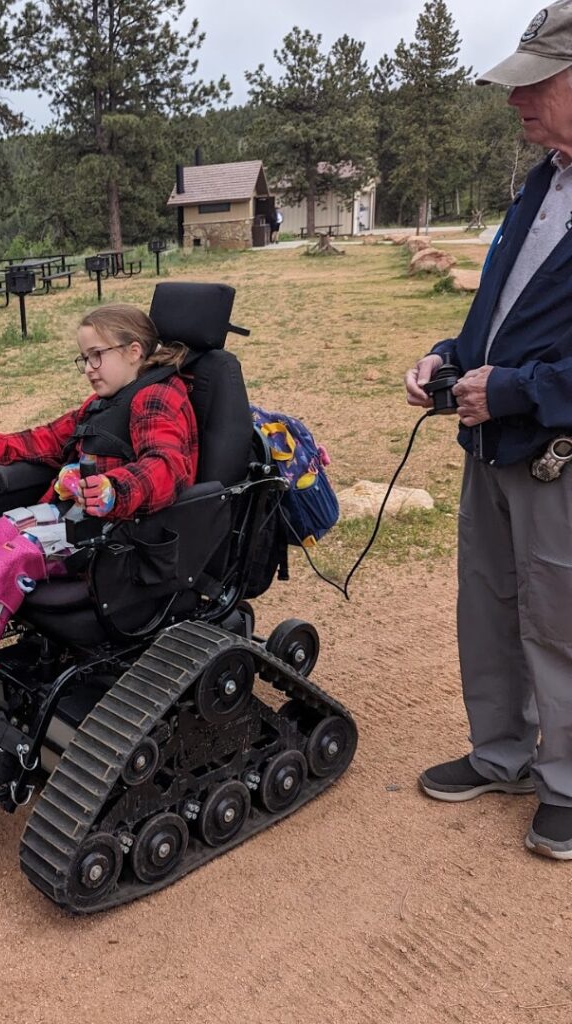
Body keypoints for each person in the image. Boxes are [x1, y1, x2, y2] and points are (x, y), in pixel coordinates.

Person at [404, 0, 572, 860]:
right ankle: (504, 754)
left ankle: (569, 784)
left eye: (536, 83)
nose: (517, 100)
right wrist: (448, 359)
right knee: (491, 605)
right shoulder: (542, 181)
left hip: (558, 454)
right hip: (494, 444)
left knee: (560, 618)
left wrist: (515, 390)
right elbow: (497, 311)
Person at [0, 303, 198, 706]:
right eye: (84, 359)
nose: (89, 368)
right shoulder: (103, 403)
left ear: (134, 351)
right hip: (75, 518)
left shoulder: (157, 397)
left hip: (116, 534)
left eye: (97, 356)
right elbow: (47, 438)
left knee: (12, 557)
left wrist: (113, 490)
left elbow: (167, 467)